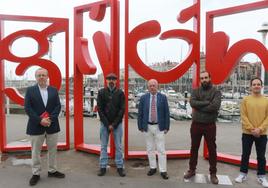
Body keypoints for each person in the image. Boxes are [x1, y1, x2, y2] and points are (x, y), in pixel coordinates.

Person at [24, 68, 65, 186]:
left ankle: (52, 170)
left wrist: (50, 119)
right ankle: (35, 173)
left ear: (47, 77)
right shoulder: (30, 90)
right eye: (39, 75)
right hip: (36, 126)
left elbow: (58, 106)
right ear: (36, 77)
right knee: (36, 151)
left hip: (52, 125)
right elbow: (28, 108)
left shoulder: (53, 90)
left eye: (43, 75)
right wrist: (40, 120)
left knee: (52, 150)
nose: (41, 77)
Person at [183, 71, 221, 184]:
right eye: (202, 78)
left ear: (210, 78)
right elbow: (192, 103)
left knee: (212, 149)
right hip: (196, 124)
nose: (204, 80)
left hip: (210, 125)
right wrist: (206, 103)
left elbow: (215, 106)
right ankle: (192, 170)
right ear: (200, 80)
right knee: (194, 148)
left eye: (206, 78)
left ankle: (213, 173)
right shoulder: (196, 91)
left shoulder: (216, 91)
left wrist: (199, 106)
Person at [235, 77, 268, 187]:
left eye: (258, 84)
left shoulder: (266, 100)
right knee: (245, 154)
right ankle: (242, 174)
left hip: (262, 133)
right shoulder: (246, 100)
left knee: (261, 156)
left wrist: (260, 129)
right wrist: (251, 129)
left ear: (261, 86)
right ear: (251, 87)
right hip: (247, 133)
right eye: (254, 84)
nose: (256, 86)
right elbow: (243, 116)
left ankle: (262, 176)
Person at [138, 79, 170, 180]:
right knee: (150, 149)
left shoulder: (163, 98)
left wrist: (166, 127)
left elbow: (167, 113)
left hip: (159, 127)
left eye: (154, 85)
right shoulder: (143, 98)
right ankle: (152, 167)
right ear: (148, 87)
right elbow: (140, 113)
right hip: (147, 126)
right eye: (150, 85)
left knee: (161, 149)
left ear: (157, 86)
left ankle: (163, 170)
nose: (152, 87)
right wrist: (140, 126)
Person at [97, 72, 126, 177]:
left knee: (118, 146)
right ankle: (103, 166)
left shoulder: (120, 93)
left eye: (113, 79)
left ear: (116, 81)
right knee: (103, 146)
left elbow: (122, 110)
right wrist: (107, 123)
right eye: (109, 79)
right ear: (106, 81)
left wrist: (113, 124)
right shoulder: (101, 92)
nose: (111, 81)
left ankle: (120, 167)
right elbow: (99, 109)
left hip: (117, 124)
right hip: (104, 124)